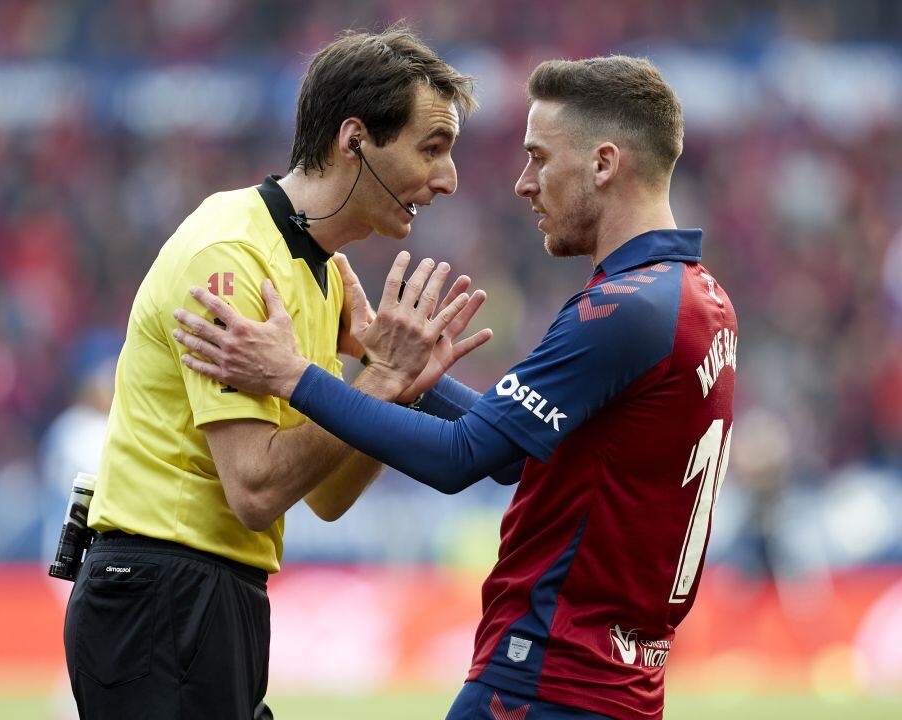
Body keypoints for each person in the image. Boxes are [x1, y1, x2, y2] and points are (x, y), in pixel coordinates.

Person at [174, 56, 737, 720]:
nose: (523, 184)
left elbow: (460, 458)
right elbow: (521, 458)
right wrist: (401, 373)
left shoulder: (623, 309)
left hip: (547, 676)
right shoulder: (700, 300)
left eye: (538, 158)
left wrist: (292, 376)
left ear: (605, 164)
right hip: (620, 688)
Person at [62, 24, 492, 720]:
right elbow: (256, 489)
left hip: (209, 596)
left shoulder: (315, 273)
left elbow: (322, 496)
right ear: (354, 139)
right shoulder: (233, 255)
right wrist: (377, 383)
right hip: (160, 596)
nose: (446, 179)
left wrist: (397, 390)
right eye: (432, 148)